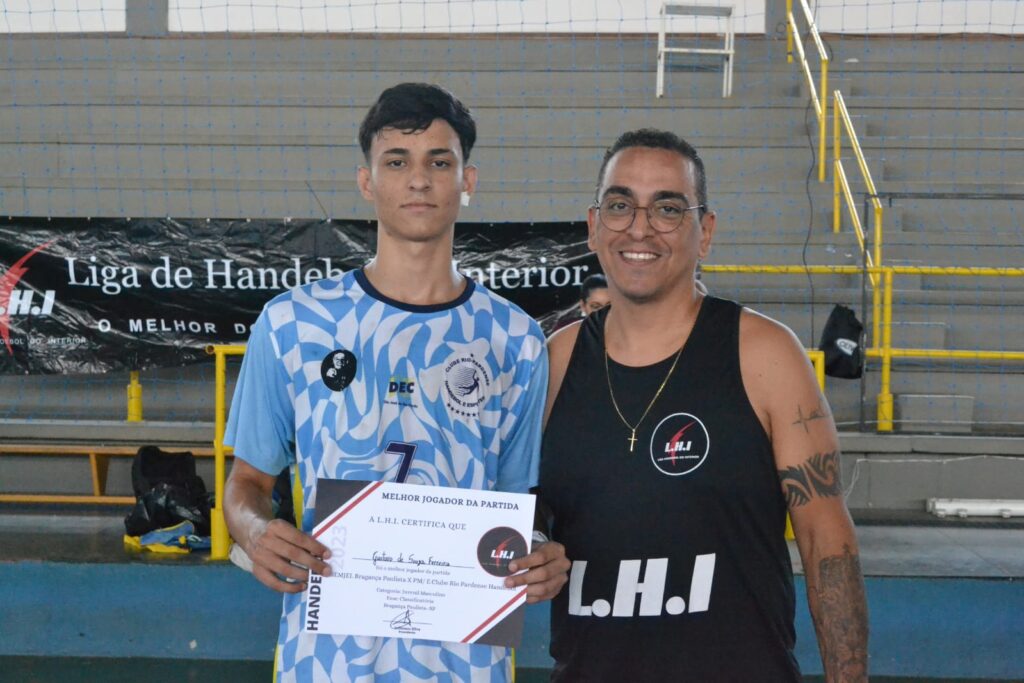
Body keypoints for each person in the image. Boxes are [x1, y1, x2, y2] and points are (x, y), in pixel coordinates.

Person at [224, 82, 569, 683]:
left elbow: (521, 503)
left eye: (440, 161)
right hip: (325, 661)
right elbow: (246, 485)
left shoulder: (515, 340)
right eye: (397, 161)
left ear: (468, 180)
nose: (419, 179)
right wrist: (255, 532)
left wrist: (538, 552)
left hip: (465, 662)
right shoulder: (294, 324)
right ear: (367, 182)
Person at [538, 129, 868, 682]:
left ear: (705, 232)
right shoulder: (555, 360)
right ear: (594, 226)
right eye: (620, 206)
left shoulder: (765, 354)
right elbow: (530, 517)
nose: (639, 228)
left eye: (668, 208)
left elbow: (825, 540)